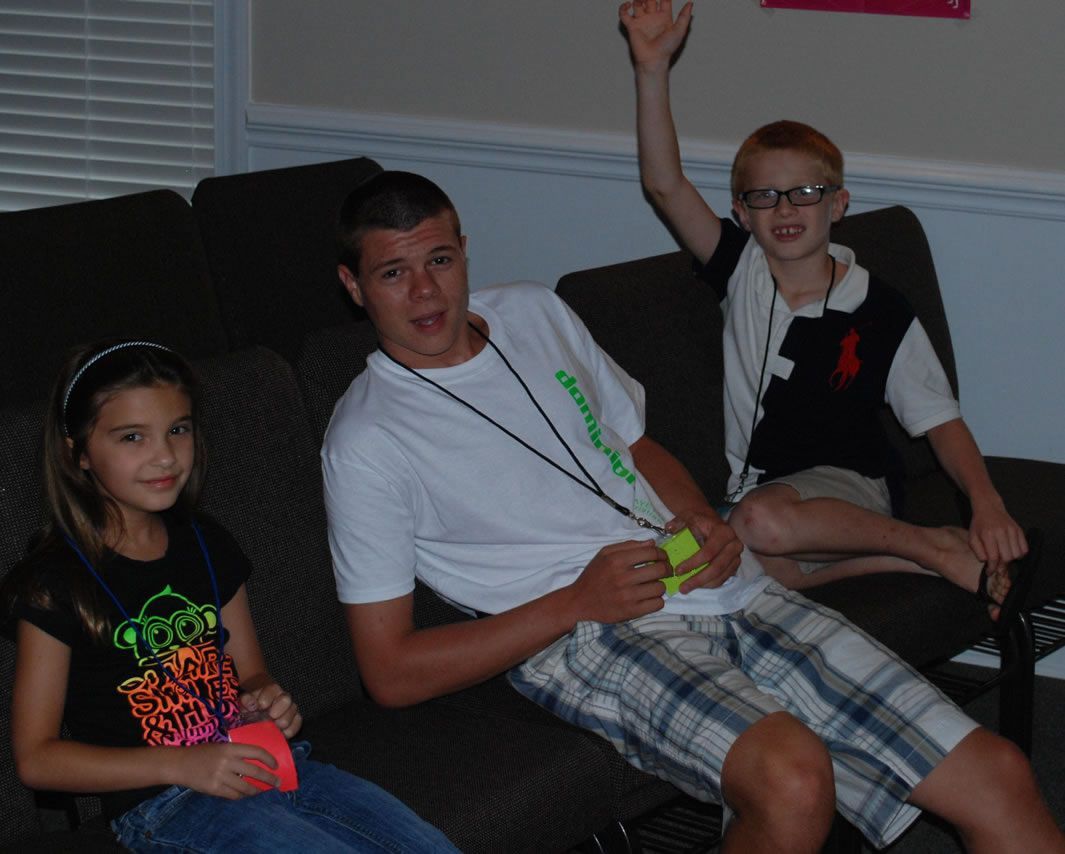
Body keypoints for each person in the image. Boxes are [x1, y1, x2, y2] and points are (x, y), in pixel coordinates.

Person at [322, 170, 1065, 852]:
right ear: (354, 286)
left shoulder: (531, 311)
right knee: (792, 776)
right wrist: (576, 602)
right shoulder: (366, 440)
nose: (425, 293)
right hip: (583, 633)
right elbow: (389, 672)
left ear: (463, 251)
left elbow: (639, 447)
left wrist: (698, 520)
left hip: (710, 582)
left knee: (995, 774)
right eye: (394, 273)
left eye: (440, 261)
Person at [619, 0, 1033, 617]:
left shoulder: (879, 309)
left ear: (837, 205)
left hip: (854, 484)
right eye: (765, 197)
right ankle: (925, 553)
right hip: (768, 495)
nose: (785, 210)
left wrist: (986, 501)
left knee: (758, 523)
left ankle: (927, 545)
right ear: (741, 213)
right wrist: (651, 68)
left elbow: (940, 419)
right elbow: (665, 184)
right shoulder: (741, 271)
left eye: (805, 194)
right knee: (737, 560)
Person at [0, 340, 458, 853]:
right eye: (132, 437)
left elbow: (250, 672)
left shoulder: (204, 541)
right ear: (78, 452)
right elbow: (37, 759)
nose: (165, 456)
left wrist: (266, 700)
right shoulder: (56, 582)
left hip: (268, 763)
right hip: (167, 802)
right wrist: (181, 764)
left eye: (178, 429)